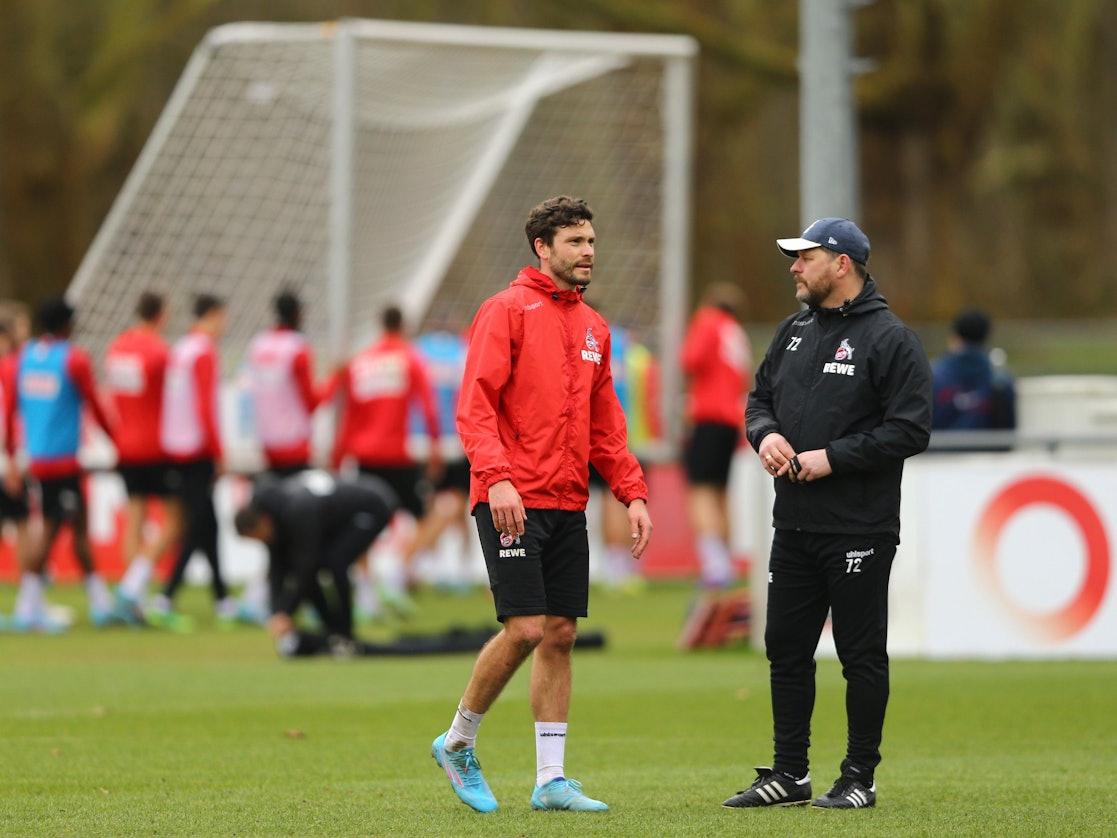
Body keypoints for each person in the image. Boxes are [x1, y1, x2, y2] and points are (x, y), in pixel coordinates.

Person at [430, 195, 652, 814]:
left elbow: (607, 426)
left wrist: (632, 491)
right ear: (543, 248)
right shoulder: (504, 311)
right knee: (525, 627)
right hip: (509, 497)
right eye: (576, 242)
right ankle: (458, 741)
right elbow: (474, 406)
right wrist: (496, 478)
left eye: (591, 241)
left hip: (567, 499)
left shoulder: (594, 328)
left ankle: (551, 780)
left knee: (559, 635)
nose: (588, 252)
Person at [722, 218, 932, 811]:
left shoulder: (892, 339)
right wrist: (763, 436)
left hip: (859, 527)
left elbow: (911, 429)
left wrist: (832, 459)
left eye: (805, 257)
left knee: (860, 654)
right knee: (784, 647)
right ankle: (789, 774)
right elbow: (758, 400)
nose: (794, 267)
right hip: (793, 525)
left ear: (842, 264)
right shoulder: (793, 331)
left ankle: (859, 776)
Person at [5, 297, 117, 631]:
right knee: (52, 530)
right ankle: (28, 605)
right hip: (62, 460)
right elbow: (93, 403)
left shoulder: (23, 359)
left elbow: (11, 409)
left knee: (78, 524)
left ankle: (98, 600)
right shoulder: (74, 359)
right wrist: (117, 441)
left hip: (37, 459)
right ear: (68, 325)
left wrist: (12, 456)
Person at [331, 305, 441, 615]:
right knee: (426, 515)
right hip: (395, 456)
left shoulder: (362, 361)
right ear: (402, 325)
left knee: (362, 522)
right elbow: (429, 408)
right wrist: (434, 449)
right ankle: (397, 574)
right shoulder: (409, 358)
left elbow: (349, 415)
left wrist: (338, 457)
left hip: (364, 456)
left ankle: (366, 592)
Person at [233, 469, 399, 653]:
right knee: (318, 567)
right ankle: (334, 633)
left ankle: (345, 632)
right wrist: (278, 611)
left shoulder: (298, 512)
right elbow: (278, 567)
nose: (261, 542)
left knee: (335, 563)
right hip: (338, 516)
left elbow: (305, 566)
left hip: (373, 507)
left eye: (258, 537)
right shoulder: (277, 519)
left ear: (263, 522)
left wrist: (286, 611)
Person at [151, 293, 234, 629]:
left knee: (208, 523)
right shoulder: (203, 352)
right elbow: (204, 406)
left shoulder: (182, 348)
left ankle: (223, 600)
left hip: (175, 447)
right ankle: (165, 597)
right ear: (214, 314)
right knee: (197, 524)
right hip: (195, 450)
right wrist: (218, 451)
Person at [103, 291, 183, 622]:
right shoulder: (159, 352)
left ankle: (131, 593)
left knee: (134, 517)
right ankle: (130, 590)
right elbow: (175, 399)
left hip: (124, 443)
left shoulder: (116, 348)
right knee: (176, 520)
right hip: (154, 445)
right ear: (161, 315)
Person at [680, 282, 752, 588]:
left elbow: (689, 359)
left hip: (709, 416)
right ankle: (724, 561)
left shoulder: (708, 322)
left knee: (701, 491)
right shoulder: (736, 331)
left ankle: (715, 565)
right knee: (721, 492)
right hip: (731, 418)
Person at [409, 324, 473, 592]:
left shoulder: (417, 350)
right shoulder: (463, 350)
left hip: (418, 438)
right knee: (455, 500)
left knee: (434, 502)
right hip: (453, 438)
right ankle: (444, 564)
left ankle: (436, 564)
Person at [245, 290, 331, 476]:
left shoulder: (257, 345)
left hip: (267, 442)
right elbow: (311, 402)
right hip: (294, 444)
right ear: (298, 313)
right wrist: (335, 381)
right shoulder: (297, 347)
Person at [931, 307, 1017, 432]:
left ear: (955, 337)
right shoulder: (1002, 380)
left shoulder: (932, 376)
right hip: (988, 450)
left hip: (942, 450)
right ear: (986, 337)